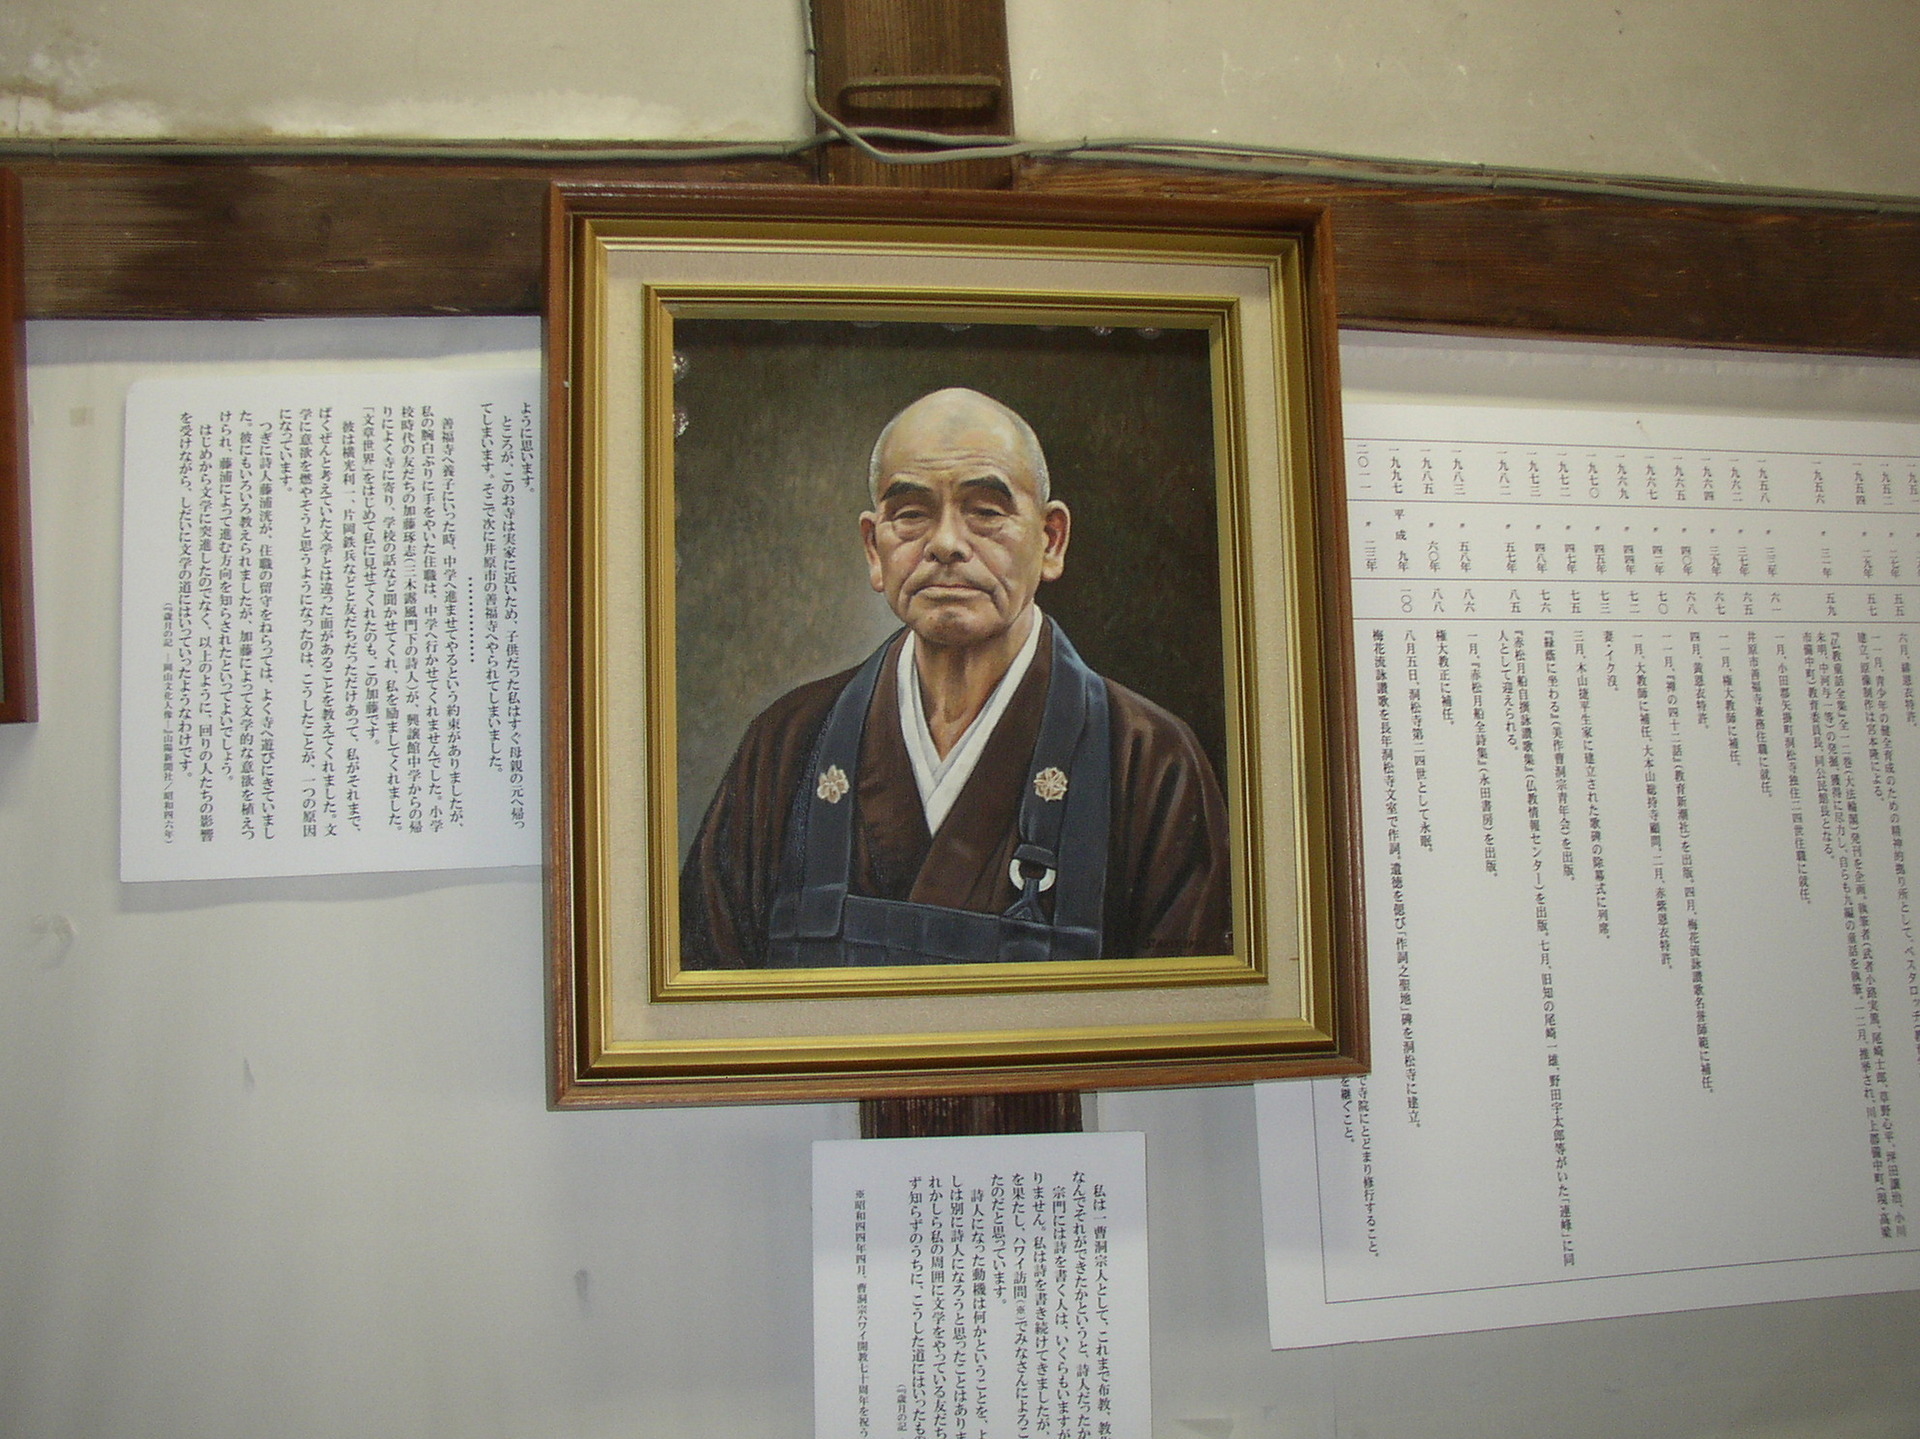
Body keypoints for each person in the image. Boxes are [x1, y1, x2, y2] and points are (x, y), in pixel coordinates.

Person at [680, 386, 1231, 969]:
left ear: (1051, 540)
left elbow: (1179, 1024)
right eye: (911, 513)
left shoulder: (1149, 757)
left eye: (986, 512)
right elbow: (709, 1004)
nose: (945, 544)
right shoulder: (790, 742)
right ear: (874, 547)